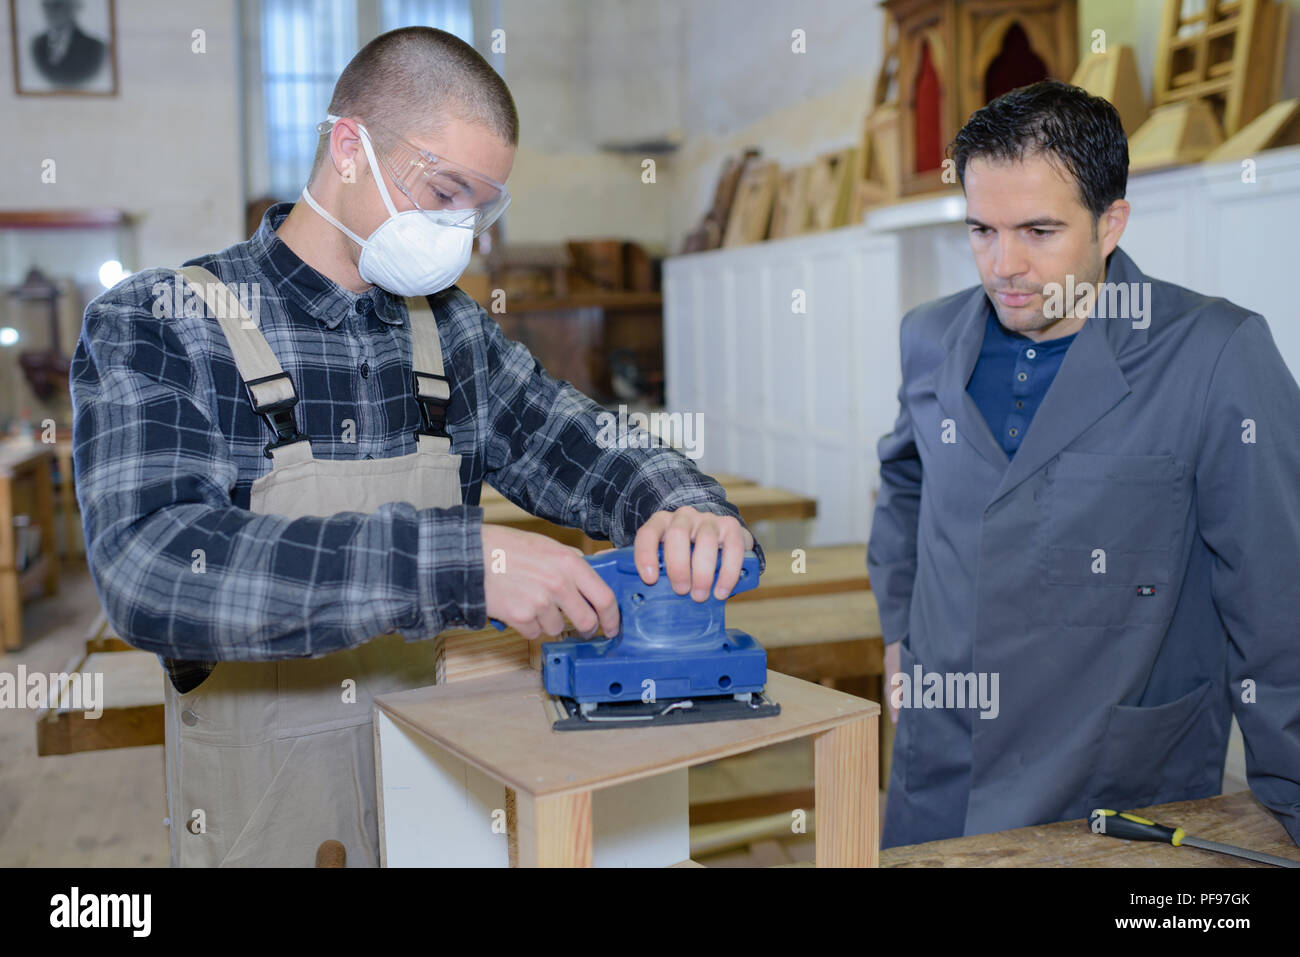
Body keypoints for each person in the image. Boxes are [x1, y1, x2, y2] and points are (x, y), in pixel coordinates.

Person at [71, 27, 762, 867]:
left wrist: (685, 505)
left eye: (479, 206)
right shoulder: (163, 322)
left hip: (444, 805)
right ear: (350, 147)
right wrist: (461, 567)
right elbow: (151, 568)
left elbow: (585, 441)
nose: (458, 229)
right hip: (270, 825)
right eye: (442, 191)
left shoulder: (452, 334)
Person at [868, 80, 1300, 849]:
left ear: (1111, 223)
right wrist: (900, 630)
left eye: (1038, 230)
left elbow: (1277, 597)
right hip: (942, 769)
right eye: (980, 230)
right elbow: (904, 485)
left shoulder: (1216, 355)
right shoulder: (929, 339)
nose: (1004, 265)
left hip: (1111, 785)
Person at [31, 0, 107, 87]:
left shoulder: (95, 48)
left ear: (73, 7)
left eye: (57, 5)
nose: (50, 11)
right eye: (46, 6)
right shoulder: (36, 45)